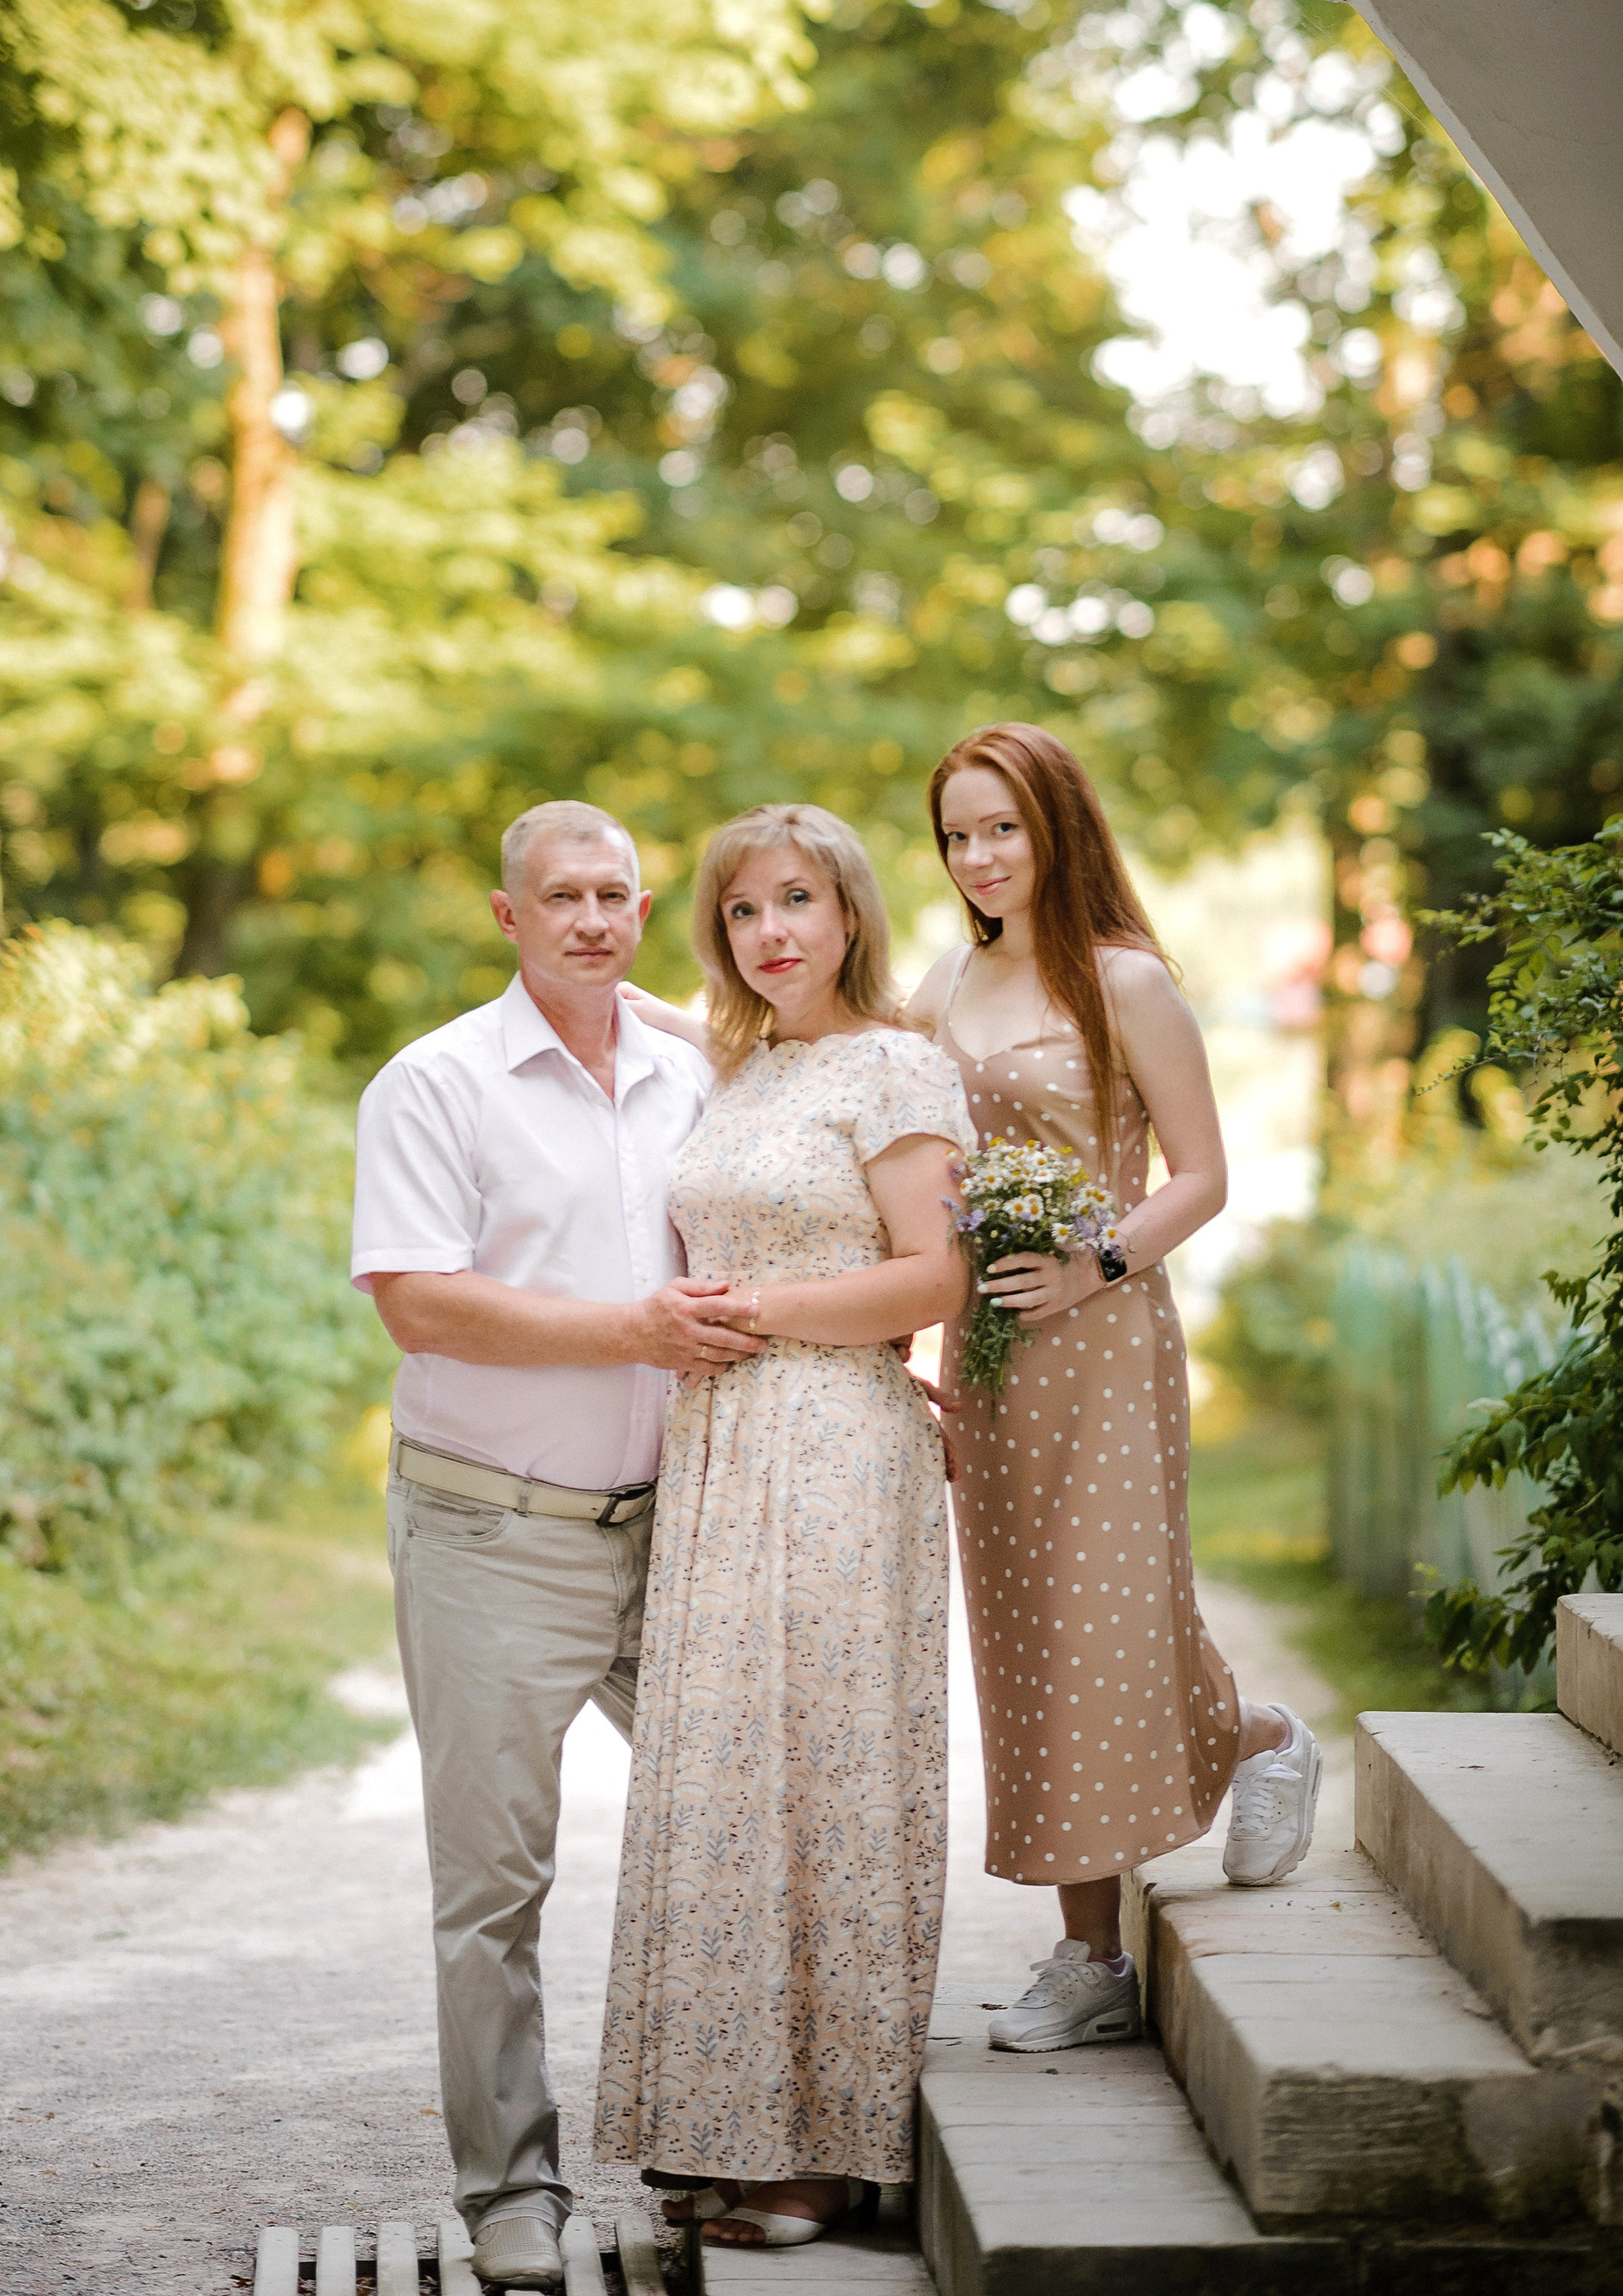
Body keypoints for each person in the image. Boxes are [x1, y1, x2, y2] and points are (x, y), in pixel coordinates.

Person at [352, 800, 759, 2291]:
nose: (590, 918)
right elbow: (418, 1299)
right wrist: (633, 1329)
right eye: (560, 895)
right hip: (490, 1531)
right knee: (495, 1883)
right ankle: (512, 2190)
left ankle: (732, 2143)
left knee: (741, 1824)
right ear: (507, 916)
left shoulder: (700, 1071)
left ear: (643, 912)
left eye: (615, 895)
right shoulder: (435, 1082)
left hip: (680, 1533)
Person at [910, 721, 1321, 2057]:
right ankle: (1252, 1733)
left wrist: (1093, 1263)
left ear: (1058, 828)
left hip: (1104, 1335)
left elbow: (1202, 1175)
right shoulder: (943, 982)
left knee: (1103, 1610)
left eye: (1002, 828)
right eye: (959, 833)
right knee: (1030, 1631)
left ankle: (1090, 1957)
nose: (979, 857)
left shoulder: (1124, 979)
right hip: (986, 1345)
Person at [593, 805, 974, 2248]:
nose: (773, 932)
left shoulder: (898, 1063)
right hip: (722, 1444)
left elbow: (930, 1278)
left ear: (852, 911)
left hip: (831, 1443)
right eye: (745, 910)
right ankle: (723, 2118)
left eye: (799, 900)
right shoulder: (736, 1064)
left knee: (826, 1772)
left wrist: (752, 1314)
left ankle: (826, 2148)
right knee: (726, 1777)